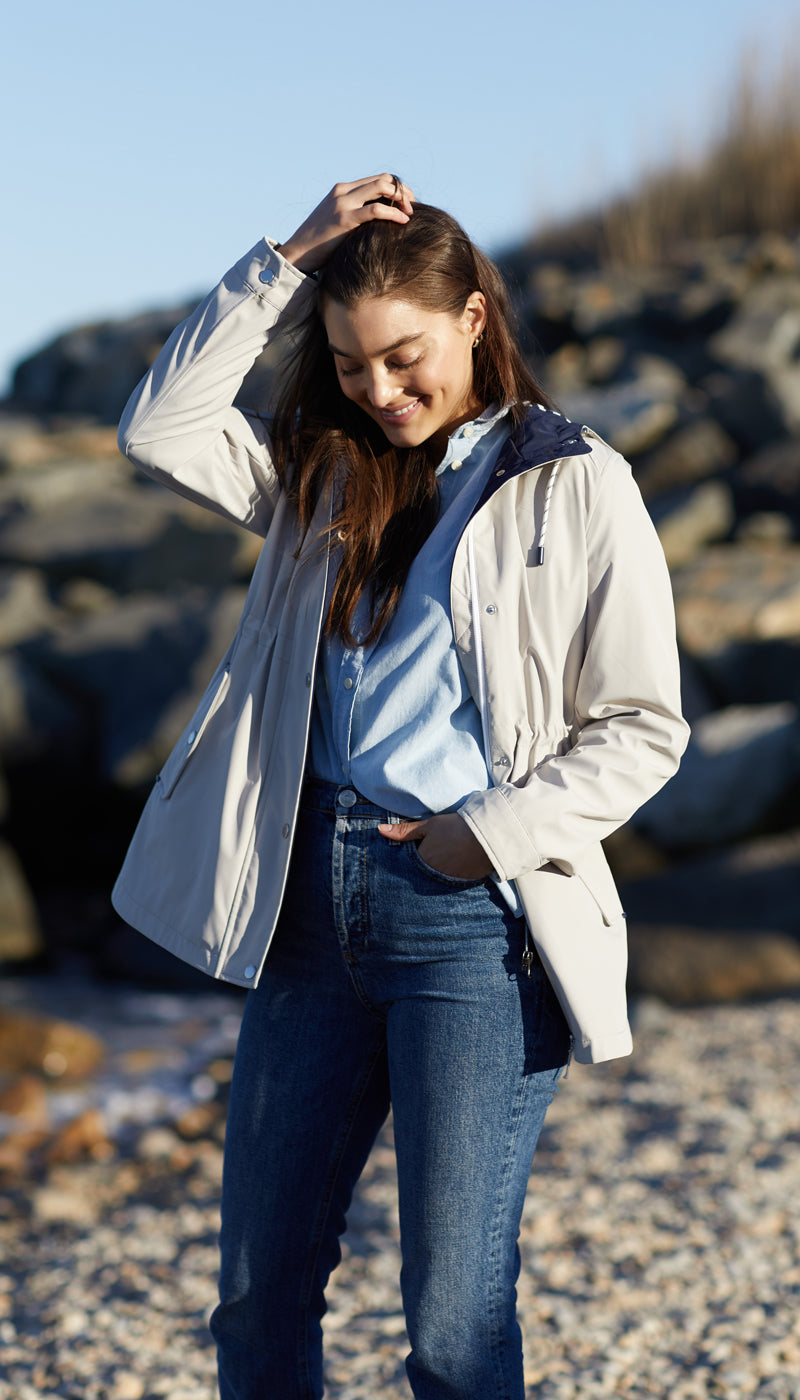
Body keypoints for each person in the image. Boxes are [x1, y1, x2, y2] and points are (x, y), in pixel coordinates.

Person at [112, 174, 689, 1399]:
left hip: (472, 926)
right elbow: (158, 426)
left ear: (477, 316)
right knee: (259, 1289)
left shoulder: (575, 483)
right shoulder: (319, 480)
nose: (379, 389)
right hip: (306, 915)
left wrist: (480, 837)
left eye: (404, 355)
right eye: (349, 362)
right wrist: (288, 256)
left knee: (452, 1318)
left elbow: (641, 725)